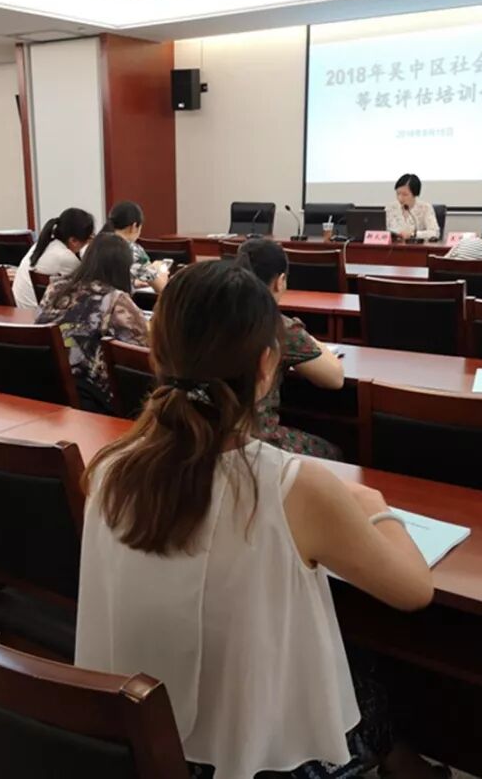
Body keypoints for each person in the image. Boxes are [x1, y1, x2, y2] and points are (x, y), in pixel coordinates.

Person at [75, 260, 441, 779]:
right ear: (267, 366)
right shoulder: (293, 485)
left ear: (155, 353)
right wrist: (378, 508)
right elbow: (413, 590)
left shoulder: (107, 468)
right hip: (253, 761)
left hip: (141, 742)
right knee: (361, 659)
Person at [236, 238, 344, 460]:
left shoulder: (213, 314)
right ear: (280, 281)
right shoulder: (278, 326)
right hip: (258, 443)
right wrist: (305, 335)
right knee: (334, 453)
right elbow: (334, 378)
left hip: (208, 436)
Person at [35, 233, 149, 413]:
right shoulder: (116, 299)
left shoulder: (55, 288)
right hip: (91, 398)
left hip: (48, 386)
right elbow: (145, 346)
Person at [13, 208, 95, 309]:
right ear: (73, 240)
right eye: (88, 240)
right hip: (36, 313)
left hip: (21, 310)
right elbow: (87, 283)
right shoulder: (65, 257)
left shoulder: (42, 244)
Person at [103, 200, 169, 294]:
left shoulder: (97, 245)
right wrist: (161, 272)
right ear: (134, 226)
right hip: (118, 302)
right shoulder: (132, 250)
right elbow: (162, 288)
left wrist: (133, 283)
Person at [385, 174, 440, 242]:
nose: (400, 198)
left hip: (416, 247)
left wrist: (413, 234)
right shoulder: (390, 208)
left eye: (405, 194)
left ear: (415, 194)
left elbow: (435, 233)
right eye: (398, 194)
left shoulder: (425, 208)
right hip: (393, 246)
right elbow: (381, 231)